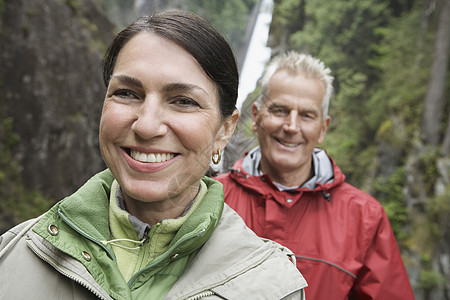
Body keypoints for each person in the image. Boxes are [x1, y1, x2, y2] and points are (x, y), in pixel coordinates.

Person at [0, 12, 307, 299]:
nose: (146, 125)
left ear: (225, 129)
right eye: (127, 93)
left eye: (183, 101)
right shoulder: (14, 254)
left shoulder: (274, 287)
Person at [216, 51, 415, 299]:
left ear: (322, 129)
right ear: (256, 117)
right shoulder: (212, 200)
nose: (291, 126)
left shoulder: (365, 220)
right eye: (279, 110)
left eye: (307, 115)